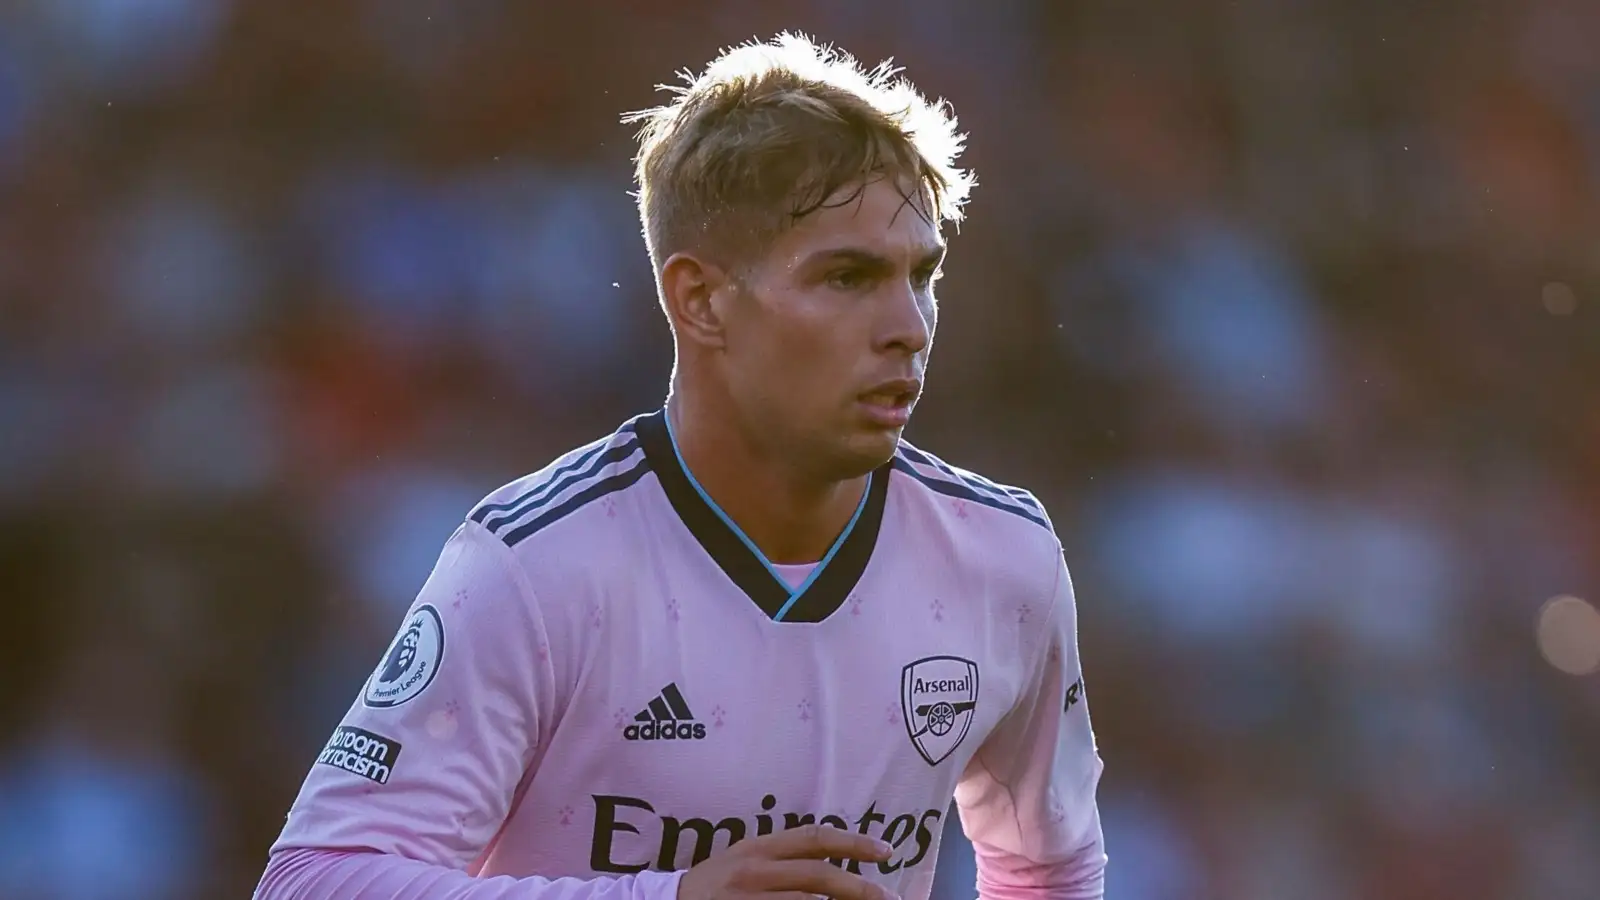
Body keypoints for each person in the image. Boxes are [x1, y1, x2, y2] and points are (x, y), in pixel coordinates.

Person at [256, 32, 1106, 900]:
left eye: (920, 275)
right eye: (847, 278)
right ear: (699, 299)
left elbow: (1049, 869)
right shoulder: (539, 568)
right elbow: (314, 881)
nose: (910, 326)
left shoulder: (1005, 561)